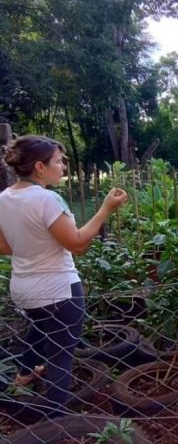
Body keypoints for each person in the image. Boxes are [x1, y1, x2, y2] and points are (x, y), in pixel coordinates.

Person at [0, 135, 127, 416]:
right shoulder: (47, 199)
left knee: (40, 329)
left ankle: (23, 377)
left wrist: (32, 244)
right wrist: (106, 208)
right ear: (40, 167)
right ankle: (57, 422)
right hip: (59, 290)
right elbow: (78, 243)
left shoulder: (4, 198)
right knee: (60, 356)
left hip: (24, 291)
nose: (63, 167)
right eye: (58, 161)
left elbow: (3, 246)